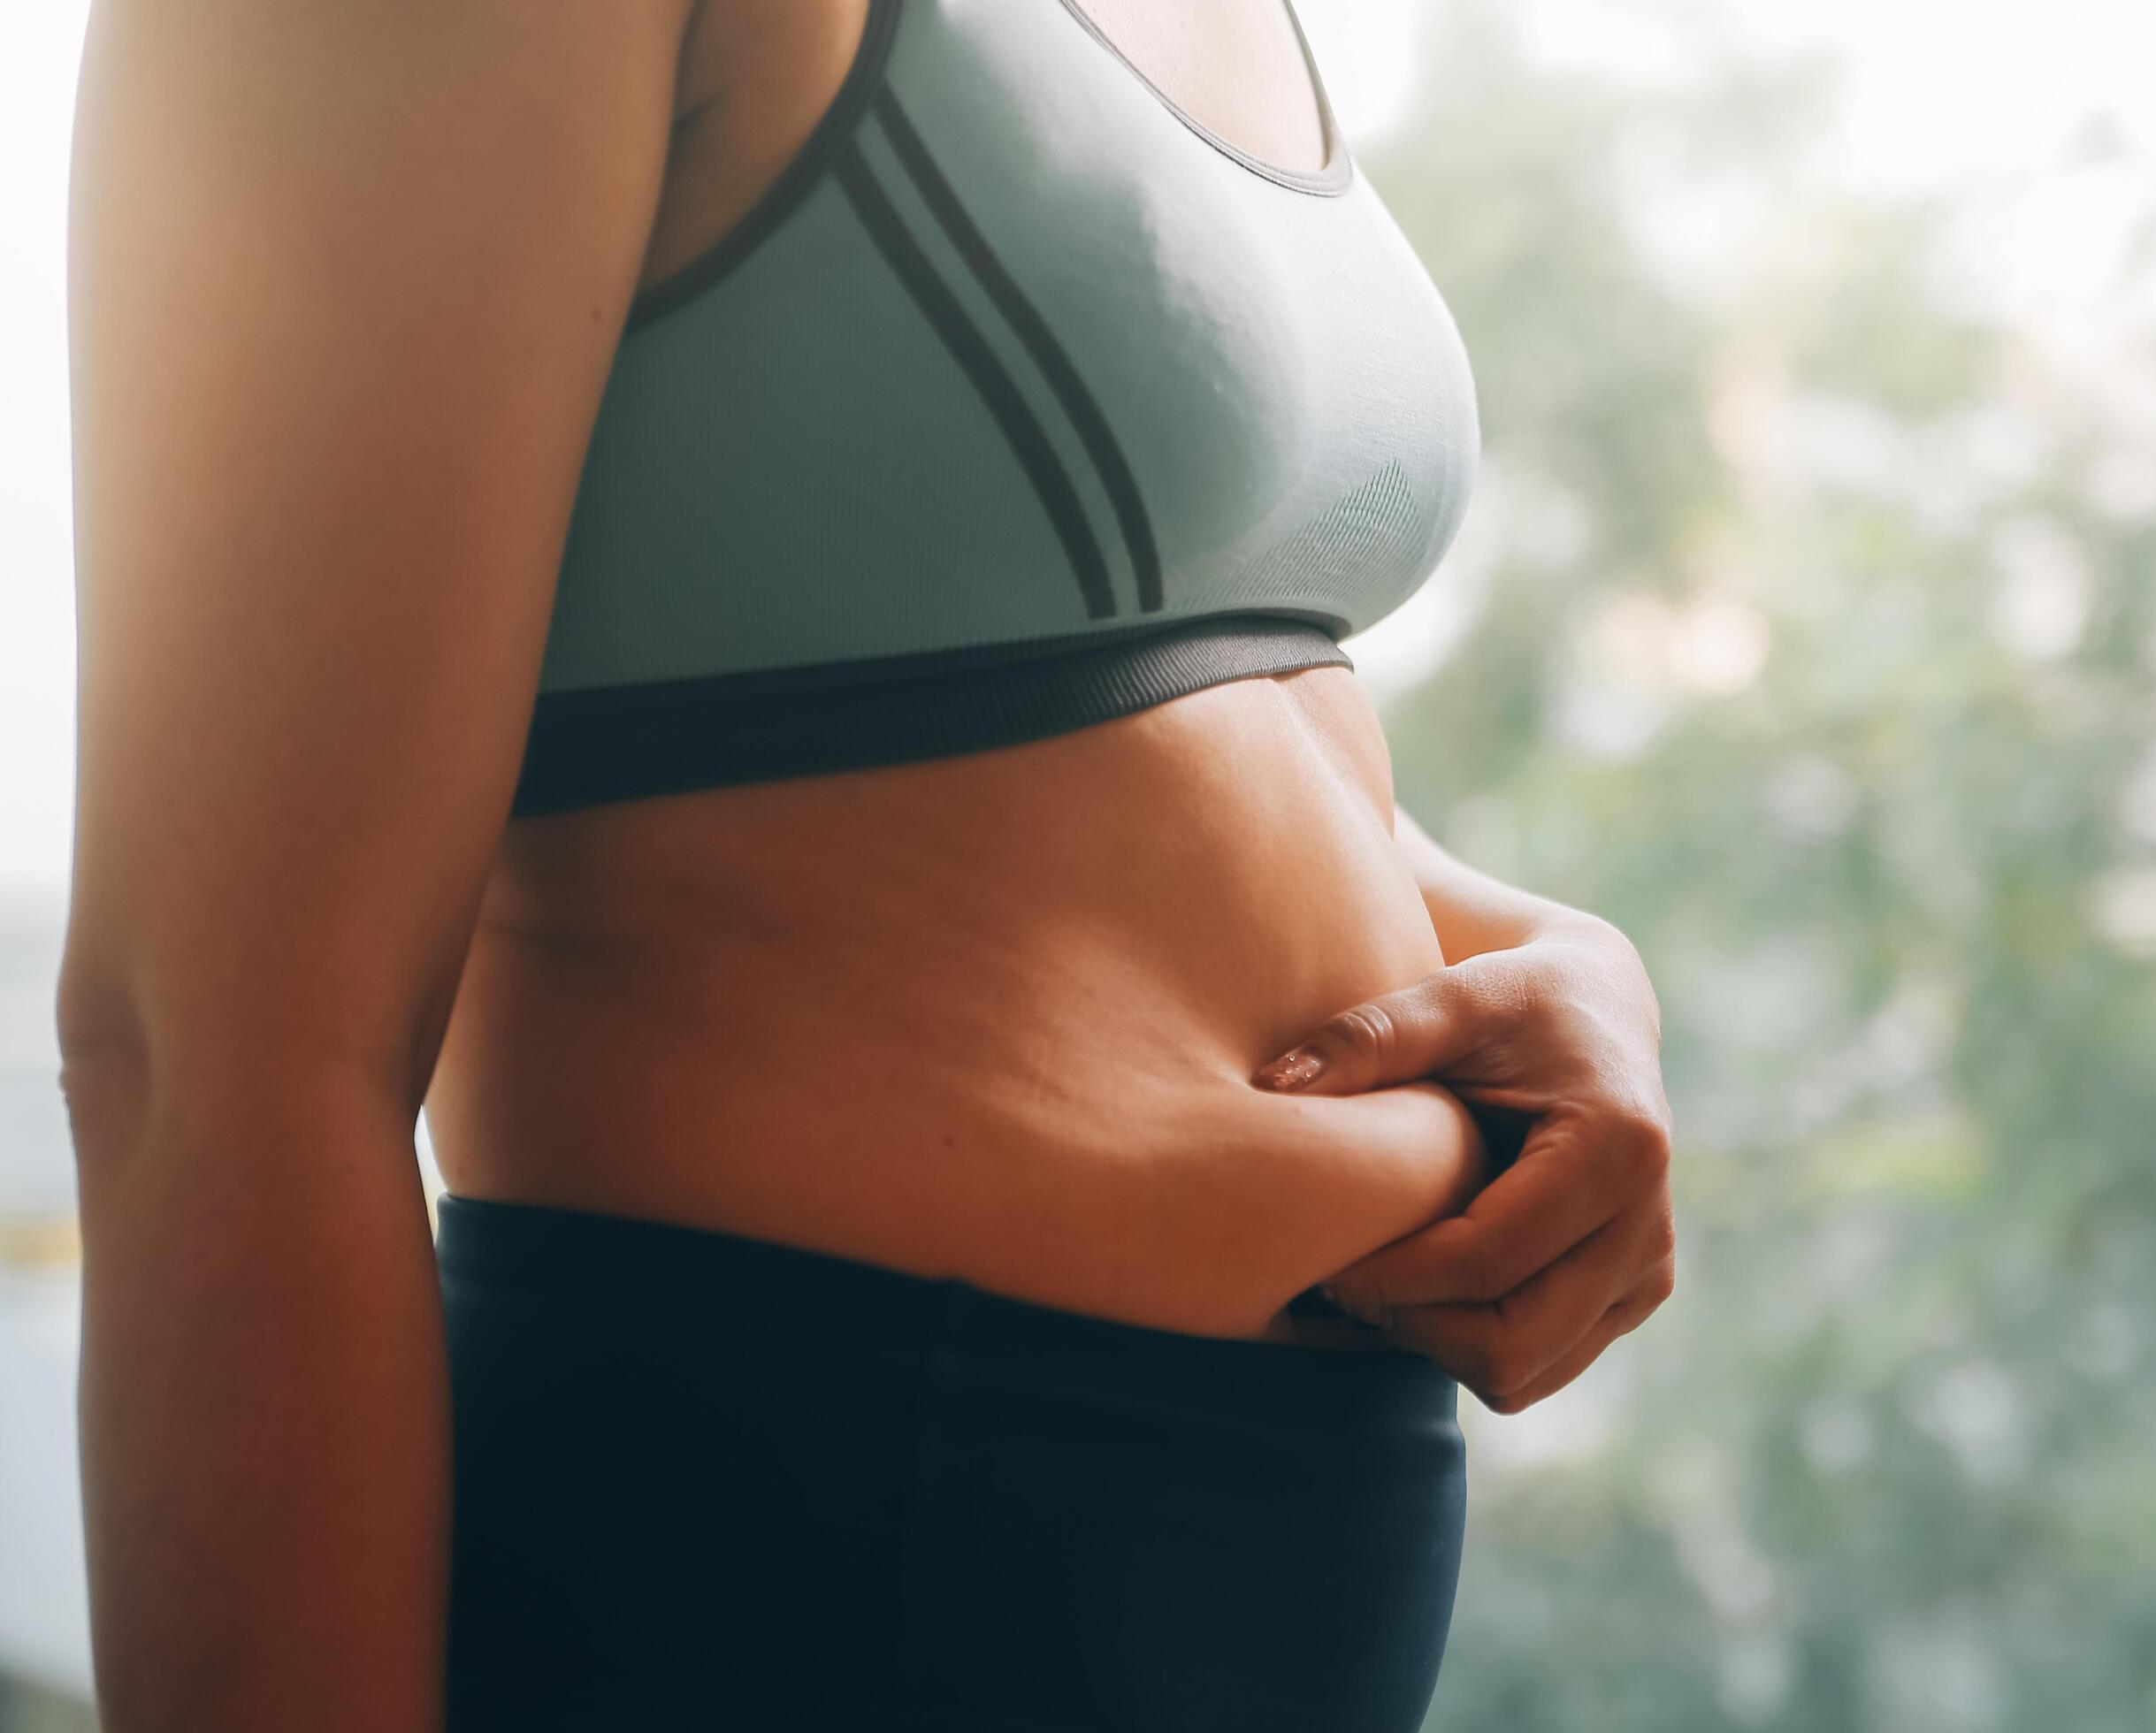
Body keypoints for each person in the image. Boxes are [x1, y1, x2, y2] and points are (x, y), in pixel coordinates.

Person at [54, 1, 1677, 1727]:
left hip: (1266, 1544)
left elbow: (1063, 690)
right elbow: (205, 1055)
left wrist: (1521, 950)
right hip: (838, 1524)